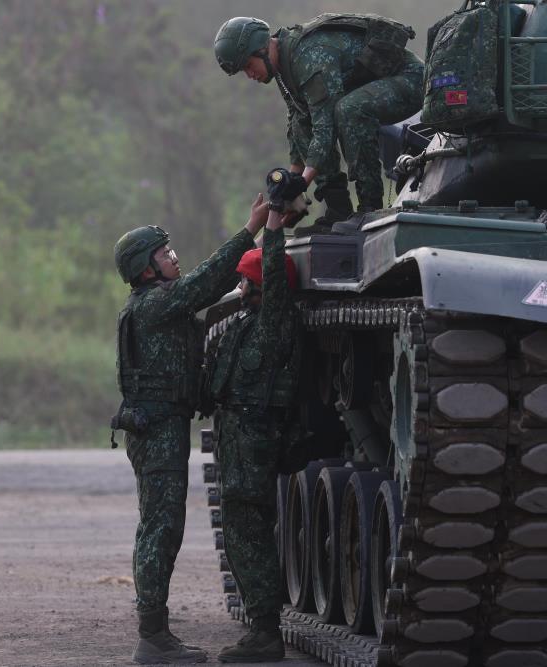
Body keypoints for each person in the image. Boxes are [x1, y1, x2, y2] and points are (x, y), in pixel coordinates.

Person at [112, 193, 270, 664]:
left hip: (162, 424)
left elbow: (204, 296)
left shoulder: (159, 304)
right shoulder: (153, 305)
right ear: (145, 269)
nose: (172, 258)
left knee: (161, 525)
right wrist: (251, 231)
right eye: (164, 254)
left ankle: (155, 632)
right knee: (161, 527)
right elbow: (202, 285)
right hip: (156, 427)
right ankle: (153, 638)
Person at [213, 14, 424, 236]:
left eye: (248, 65)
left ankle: (369, 207)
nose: (250, 75)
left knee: (349, 109)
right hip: (376, 89)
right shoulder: (284, 65)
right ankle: (338, 210)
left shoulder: (309, 57)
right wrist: (291, 185)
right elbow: (299, 121)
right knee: (302, 121)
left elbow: (326, 127)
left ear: (263, 49)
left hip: (410, 80)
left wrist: (302, 183)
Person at [206, 182, 302, 663]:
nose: (240, 288)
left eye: (247, 282)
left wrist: (273, 231)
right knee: (241, 534)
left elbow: (276, 280)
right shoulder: (243, 324)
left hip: (254, 444)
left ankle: (266, 632)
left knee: (250, 535)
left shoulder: (274, 321)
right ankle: (259, 626)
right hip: (236, 443)